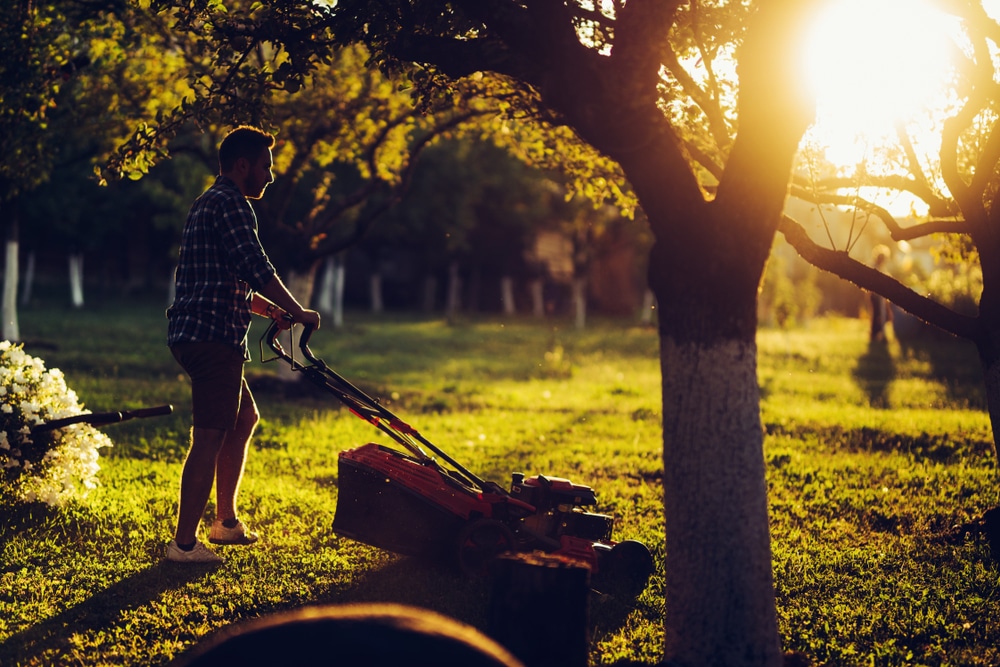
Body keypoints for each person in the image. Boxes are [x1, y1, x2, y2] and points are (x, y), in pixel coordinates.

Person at [165, 126, 321, 563]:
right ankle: (183, 545)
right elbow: (255, 264)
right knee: (210, 434)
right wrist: (299, 309)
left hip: (198, 330)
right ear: (243, 165)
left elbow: (217, 276)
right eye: (266, 167)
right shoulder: (232, 204)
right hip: (213, 337)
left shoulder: (206, 203)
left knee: (243, 417)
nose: (270, 176)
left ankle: (225, 523)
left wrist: (268, 309)